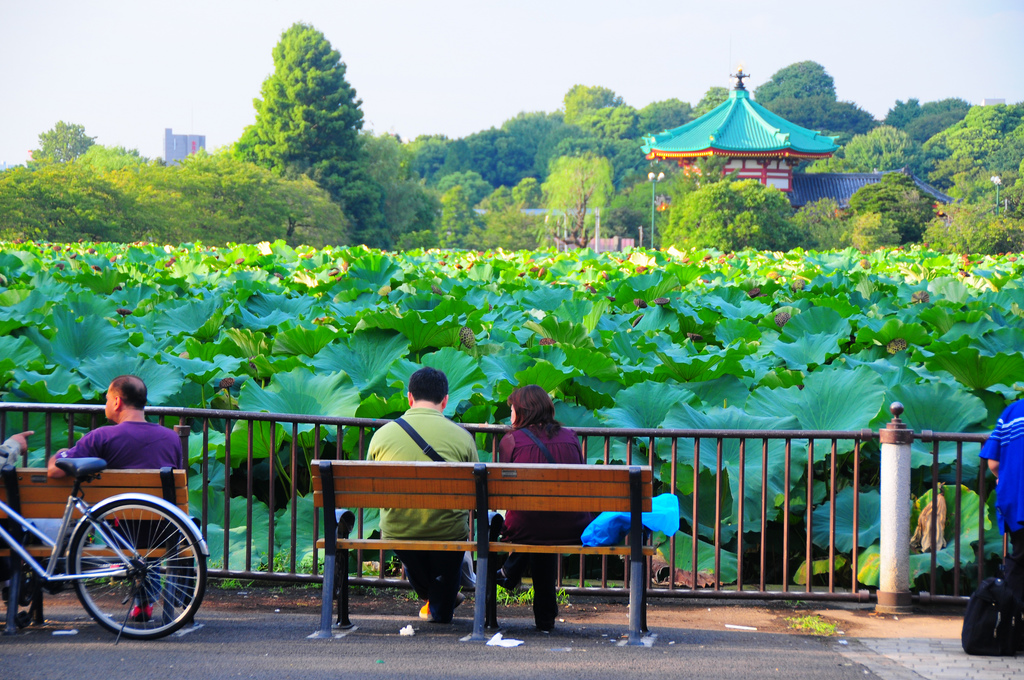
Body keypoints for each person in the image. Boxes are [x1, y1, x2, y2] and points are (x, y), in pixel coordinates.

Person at [367, 367, 478, 623]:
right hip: (448, 530)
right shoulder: (462, 437)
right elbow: (474, 491)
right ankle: (442, 600)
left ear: (409, 397)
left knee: (416, 554)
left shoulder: (381, 435)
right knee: (442, 605)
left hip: (398, 529)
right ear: (446, 400)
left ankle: (438, 595)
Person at [495, 385, 593, 631]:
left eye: (512, 410)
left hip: (526, 527)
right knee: (545, 523)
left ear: (523, 411)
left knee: (533, 521)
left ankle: (509, 572)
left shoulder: (511, 441)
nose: (510, 416)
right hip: (572, 526)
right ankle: (545, 617)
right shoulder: (571, 438)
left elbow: (504, 490)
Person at [47, 375, 181, 479]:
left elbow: (55, 471)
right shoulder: (172, 437)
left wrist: (61, 452)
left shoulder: (101, 436)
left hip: (114, 513)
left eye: (107, 399)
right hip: (159, 512)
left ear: (117, 402)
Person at [980, 398, 1024, 602]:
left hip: (1015, 500)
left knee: (1019, 558)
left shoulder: (1012, 411)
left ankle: (1011, 622)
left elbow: (993, 463)